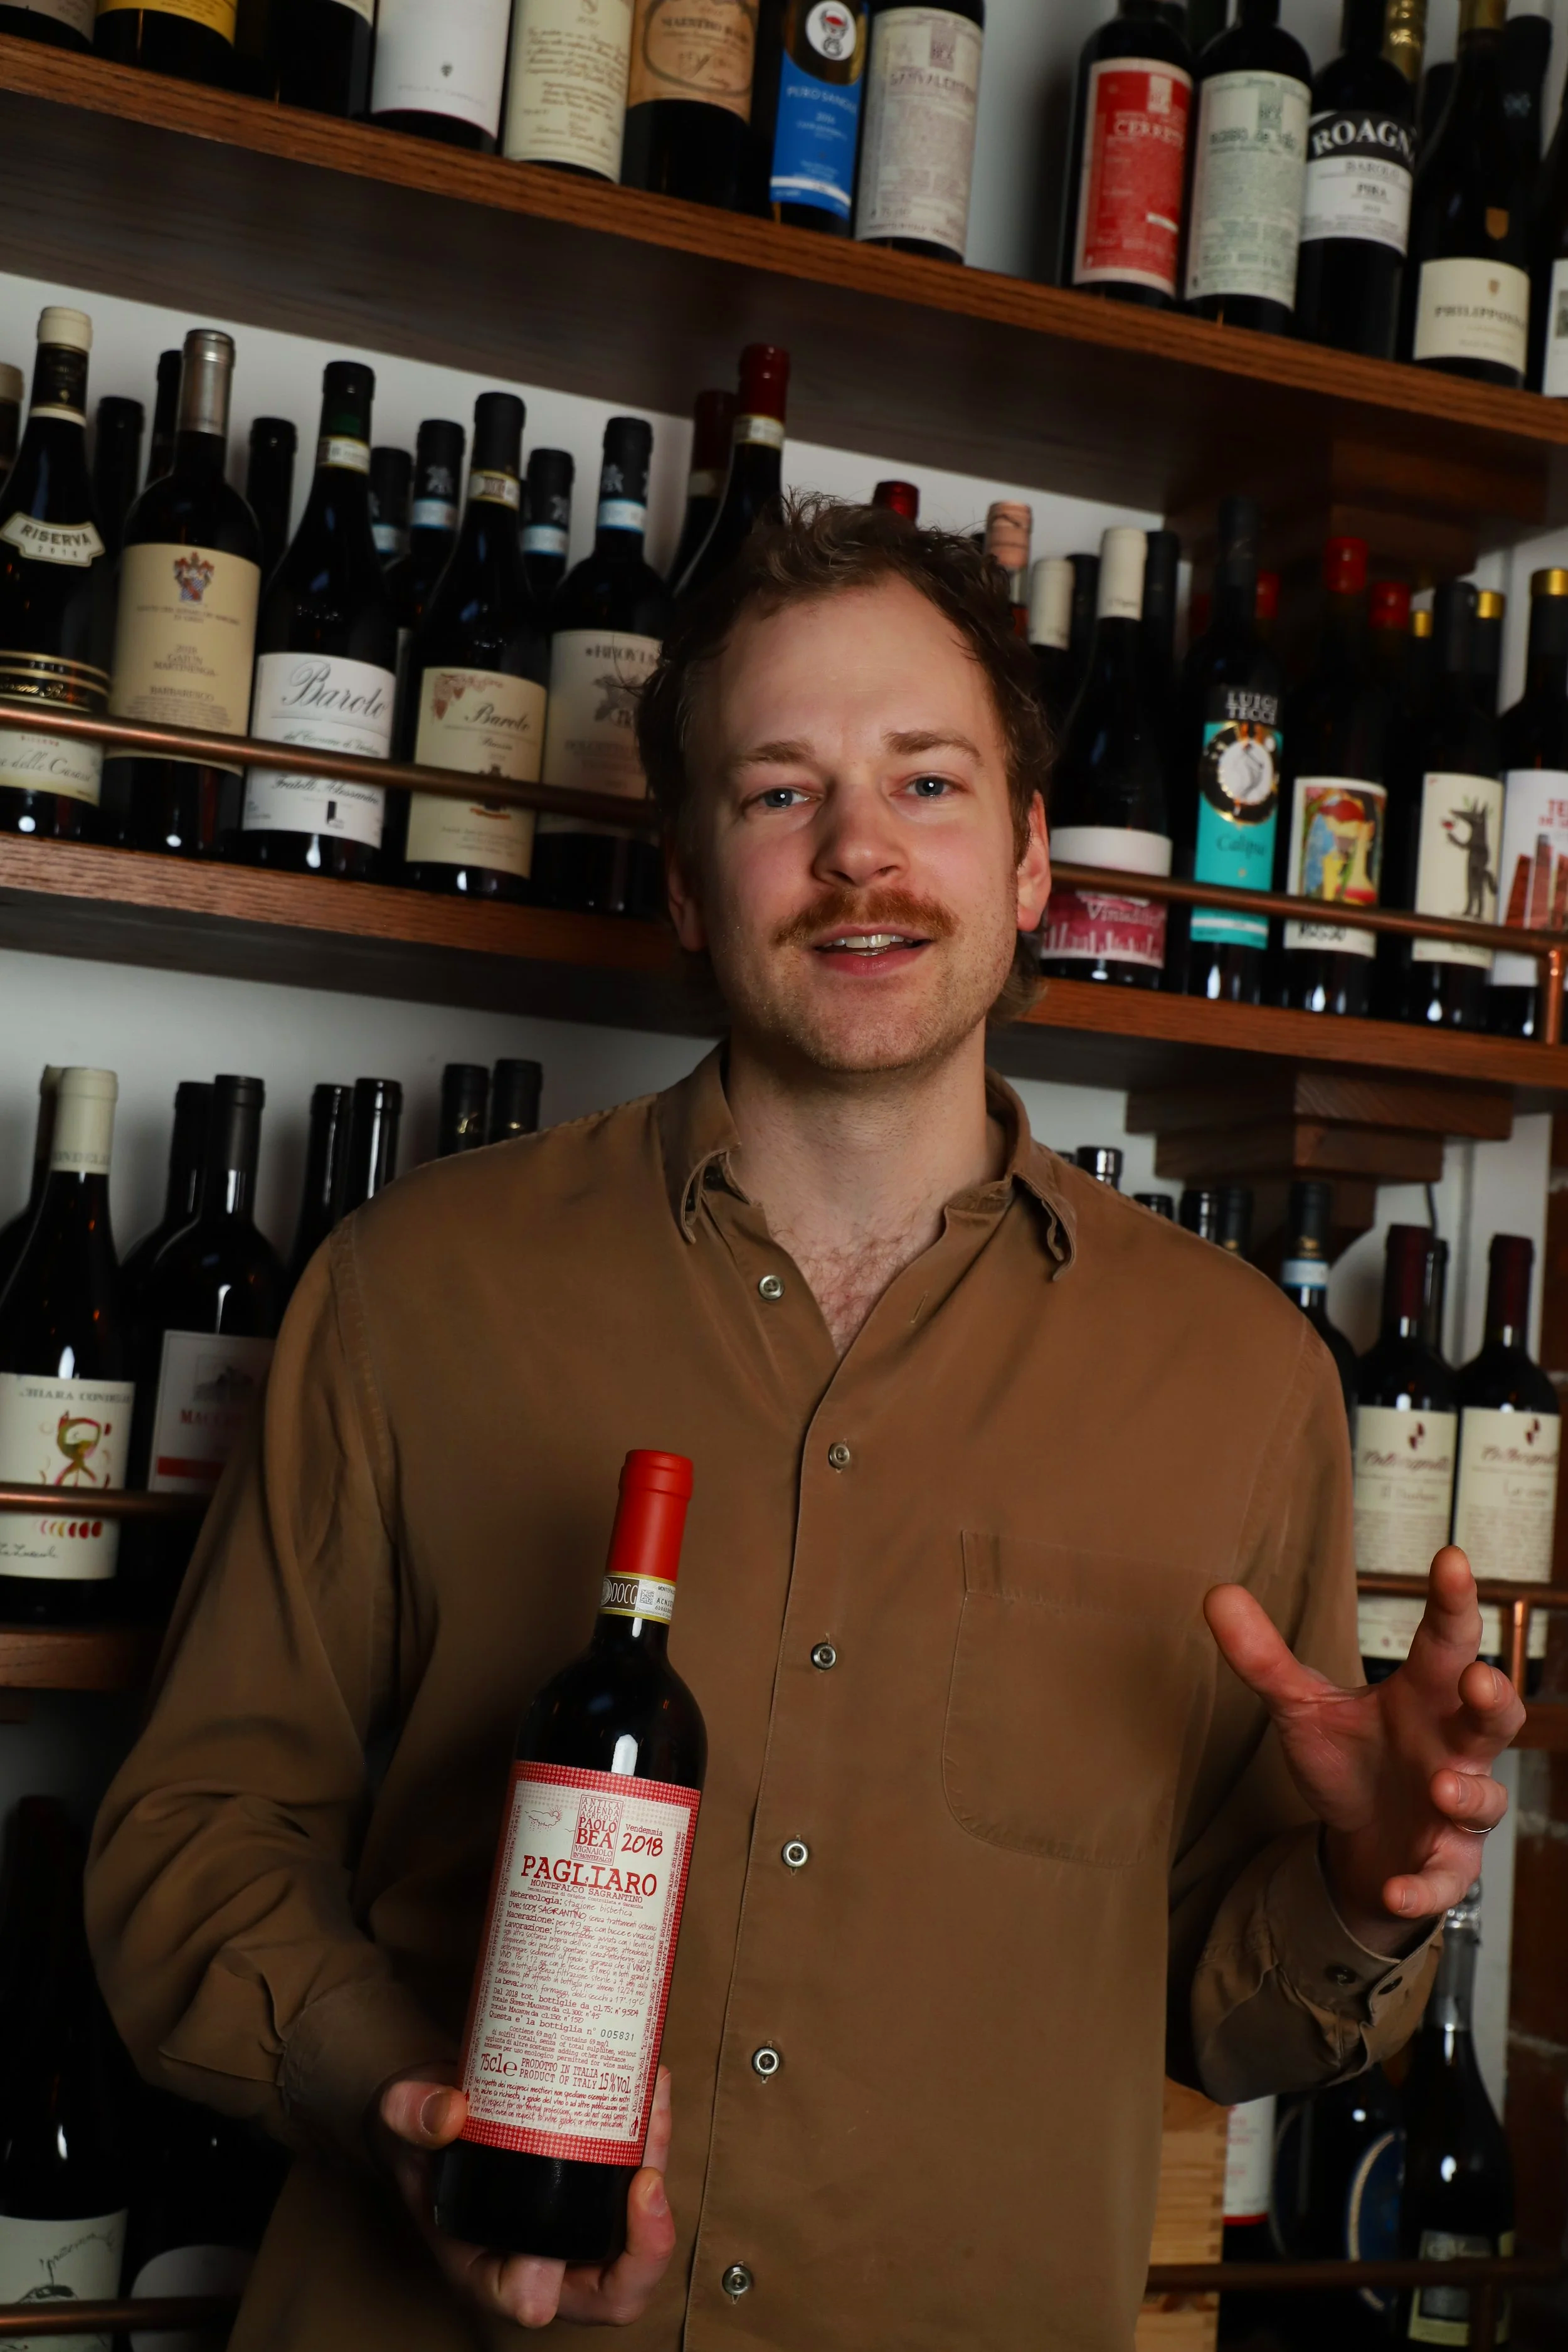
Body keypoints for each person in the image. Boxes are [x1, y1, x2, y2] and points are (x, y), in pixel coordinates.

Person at [86, 499, 1520, 2352]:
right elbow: (193, 1839)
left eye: (927, 782)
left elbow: (1225, 2012)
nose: (860, 852)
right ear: (688, 881)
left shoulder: (1244, 1378)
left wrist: (1358, 1888)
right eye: (781, 792)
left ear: (1029, 860)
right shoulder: (411, 1289)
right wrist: (409, 2111)